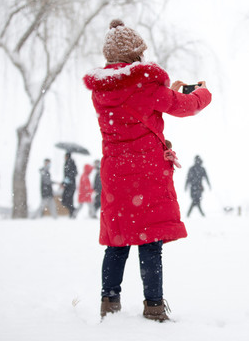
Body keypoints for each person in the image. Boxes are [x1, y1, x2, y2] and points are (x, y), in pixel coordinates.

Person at [83, 19, 211, 321]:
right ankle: (154, 307)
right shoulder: (145, 85)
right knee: (150, 242)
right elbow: (185, 107)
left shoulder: (101, 91)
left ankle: (109, 303)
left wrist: (165, 90)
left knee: (118, 242)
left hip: (115, 174)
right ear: (136, 54)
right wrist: (203, 93)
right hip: (146, 174)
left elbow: (135, 109)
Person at [61, 152, 78, 217]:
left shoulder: (69, 163)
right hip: (70, 185)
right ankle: (72, 212)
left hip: (69, 186)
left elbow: (70, 175)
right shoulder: (71, 163)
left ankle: (73, 211)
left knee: (66, 200)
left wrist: (65, 182)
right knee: (69, 200)